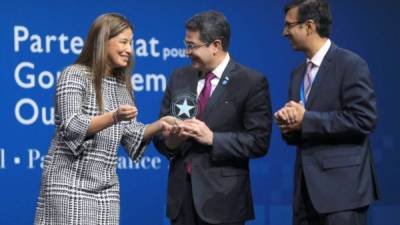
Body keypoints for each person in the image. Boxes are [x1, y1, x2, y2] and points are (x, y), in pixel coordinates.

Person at [34, 13, 174, 225]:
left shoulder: (122, 87)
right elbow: (72, 126)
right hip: (68, 183)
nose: (129, 50)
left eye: (131, 43)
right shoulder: (73, 75)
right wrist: (114, 116)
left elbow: (130, 134)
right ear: (103, 41)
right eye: (124, 42)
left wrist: (160, 124)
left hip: (106, 190)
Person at [153, 10, 272, 225]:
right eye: (186, 44)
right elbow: (160, 136)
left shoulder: (251, 82)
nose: (187, 52)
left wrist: (212, 139)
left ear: (216, 45)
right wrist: (171, 141)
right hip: (181, 201)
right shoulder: (179, 77)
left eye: (192, 46)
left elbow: (259, 142)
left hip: (224, 201)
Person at [275, 1, 379, 224]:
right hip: (305, 193)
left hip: (343, 194)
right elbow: (302, 131)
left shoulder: (350, 64)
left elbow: (364, 120)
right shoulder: (297, 73)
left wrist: (307, 120)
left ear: (309, 26)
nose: (284, 32)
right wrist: (289, 124)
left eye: (289, 25)